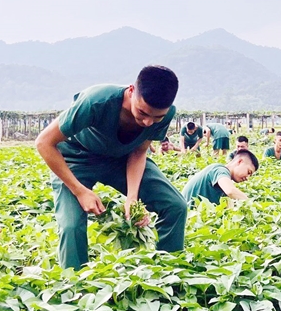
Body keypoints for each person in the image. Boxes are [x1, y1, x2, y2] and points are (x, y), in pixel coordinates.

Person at [35, 65, 187, 270]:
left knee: (176, 206)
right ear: (132, 91)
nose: (148, 122)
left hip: (122, 158)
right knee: (71, 226)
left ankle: (168, 272)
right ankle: (75, 287)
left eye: (156, 117)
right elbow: (44, 143)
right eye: (142, 112)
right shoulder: (96, 101)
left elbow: (139, 152)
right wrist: (80, 191)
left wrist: (132, 198)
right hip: (76, 158)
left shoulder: (165, 115)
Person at [183, 149, 260, 206]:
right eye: (248, 172)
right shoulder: (220, 170)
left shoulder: (224, 179)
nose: (247, 178)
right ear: (240, 162)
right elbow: (231, 191)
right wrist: (252, 204)